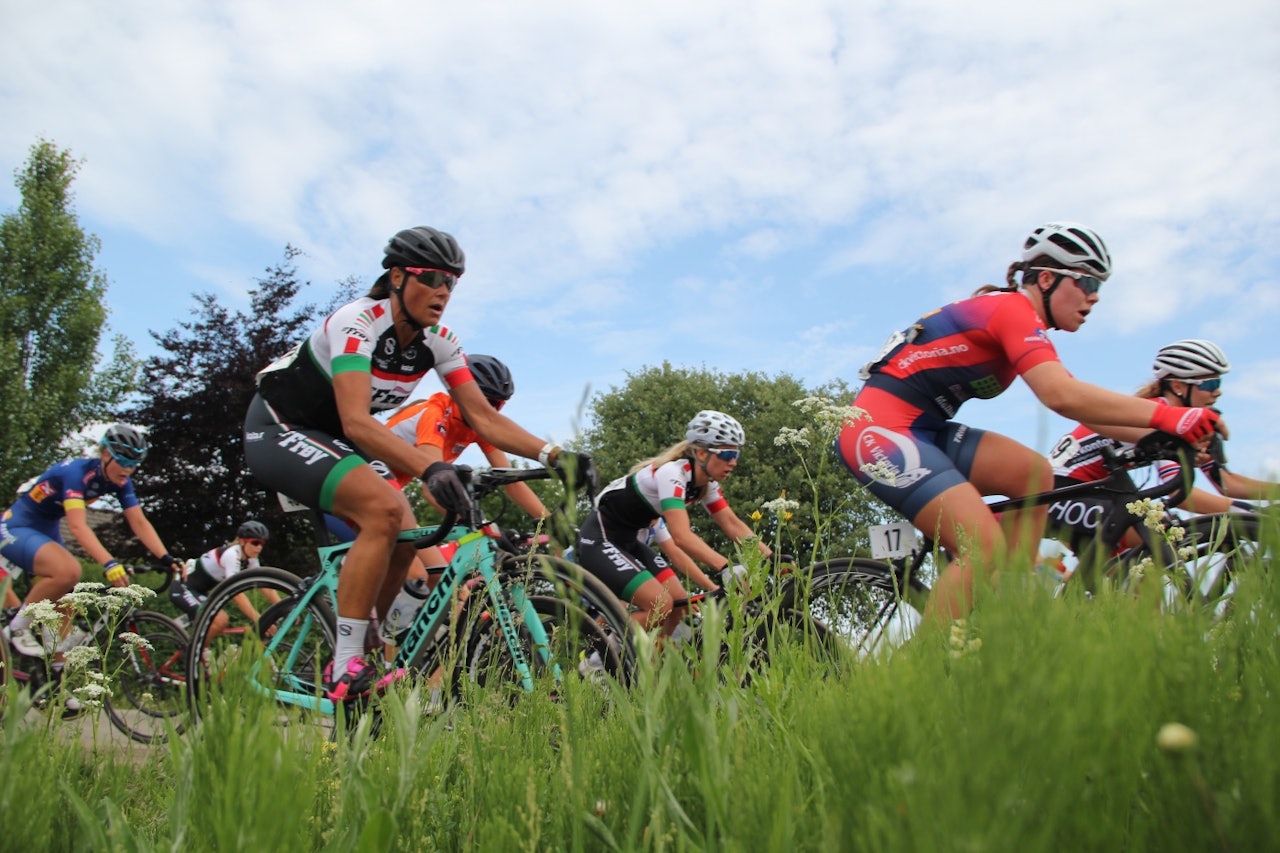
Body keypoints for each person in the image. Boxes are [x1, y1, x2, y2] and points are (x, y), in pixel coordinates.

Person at [243, 225, 594, 703]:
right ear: (396, 278)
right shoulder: (358, 323)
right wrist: (431, 469)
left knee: (409, 530)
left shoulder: (440, 340)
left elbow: (484, 420)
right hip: (281, 428)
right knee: (386, 511)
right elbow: (357, 421)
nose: (443, 292)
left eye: (452, 282)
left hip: (340, 440)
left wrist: (556, 456)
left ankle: (367, 646)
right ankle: (345, 665)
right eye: (431, 278)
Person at [836, 222, 1220, 622]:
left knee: (1034, 473)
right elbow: (1062, 396)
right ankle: (921, 676)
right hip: (878, 430)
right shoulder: (1011, 310)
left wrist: (1168, 433)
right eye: (1087, 282)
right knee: (982, 548)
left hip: (924, 429)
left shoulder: (1020, 320)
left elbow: (1085, 407)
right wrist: (1174, 416)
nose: (1094, 297)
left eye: (1099, 287)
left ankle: (1008, 613)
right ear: (1048, 279)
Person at [377, 354, 551, 648]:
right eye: (485, 400)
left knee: (439, 580)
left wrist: (548, 520)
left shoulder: (477, 426)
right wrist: (480, 524)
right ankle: (378, 656)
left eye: (497, 405)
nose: (489, 409)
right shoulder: (434, 412)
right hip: (361, 481)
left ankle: (421, 671)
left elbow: (512, 480)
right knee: (420, 575)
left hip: (390, 489)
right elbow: (433, 487)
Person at [1048, 339, 1280, 553]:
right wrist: (1249, 512)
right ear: (1178, 386)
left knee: (1139, 581)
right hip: (1062, 492)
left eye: (1219, 382)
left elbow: (1228, 484)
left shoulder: (1191, 425)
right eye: (1210, 383)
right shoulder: (1159, 416)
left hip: (1099, 494)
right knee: (1159, 536)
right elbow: (1181, 494)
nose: (1217, 391)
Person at [575, 410, 769, 637]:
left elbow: (731, 523)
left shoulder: (706, 484)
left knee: (680, 604)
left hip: (628, 542)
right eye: (727, 455)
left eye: (737, 455)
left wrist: (771, 559)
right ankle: (597, 661)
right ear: (701, 453)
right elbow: (681, 536)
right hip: (600, 540)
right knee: (660, 606)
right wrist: (725, 567)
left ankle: (654, 667)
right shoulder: (672, 473)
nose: (733, 463)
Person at [0, 424, 180, 657]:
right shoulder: (77, 473)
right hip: (18, 526)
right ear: (105, 454)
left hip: (46, 528)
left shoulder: (121, 482)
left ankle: (58, 679)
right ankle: (17, 628)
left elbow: (139, 522)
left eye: (134, 465)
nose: (128, 470)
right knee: (69, 571)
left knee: (66, 606)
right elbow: (77, 526)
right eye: (123, 461)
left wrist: (165, 557)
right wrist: (110, 563)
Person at [169, 520, 278, 638]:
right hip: (184, 588)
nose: (259, 548)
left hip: (200, 592)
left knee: (215, 622)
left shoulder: (250, 558)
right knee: (220, 620)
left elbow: (263, 585)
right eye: (255, 543)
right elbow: (236, 593)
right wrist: (259, 619)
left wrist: (285, 606)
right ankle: (193, 654)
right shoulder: (232, 555)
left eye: (262, 544)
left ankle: (195, 648)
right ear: (242, 541)